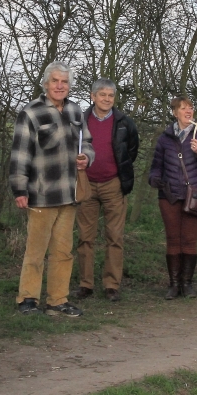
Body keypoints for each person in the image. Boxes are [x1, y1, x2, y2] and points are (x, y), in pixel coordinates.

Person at [10, 62, 95, 318]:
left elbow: (88, 143)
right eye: (55, 81)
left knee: (63, 251)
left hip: (69, 195)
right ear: (46, 84)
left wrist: (87, 158)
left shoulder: (76, 111)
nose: (60, 86)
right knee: (36, 251)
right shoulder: (31, 113)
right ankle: (27, 299)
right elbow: (19, 154)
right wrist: (19, 189)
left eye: (65, 82)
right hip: (40, 193)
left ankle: (58, 300)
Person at [147, 96, 197, 299]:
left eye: (191, 108)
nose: (188, 111)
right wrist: (155, 180)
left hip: (196, 195)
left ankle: (187, 284)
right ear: (175, 112)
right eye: (183, 108)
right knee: (173, 240)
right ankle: (173, 285)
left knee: (189, 240)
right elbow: (156, 167)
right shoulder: (165, 138)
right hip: (169, 196)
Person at [74, 79, 140, 302]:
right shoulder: (79, 120)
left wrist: (118, 173)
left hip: (113, 184)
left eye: (110, 95)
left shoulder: (124, 123)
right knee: (85, 237)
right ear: (92, 96)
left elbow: (131, 151)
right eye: (102, 95)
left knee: (115, 236)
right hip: (86, 184)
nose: (106, 99)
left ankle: (112, 285)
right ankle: (85, 284)